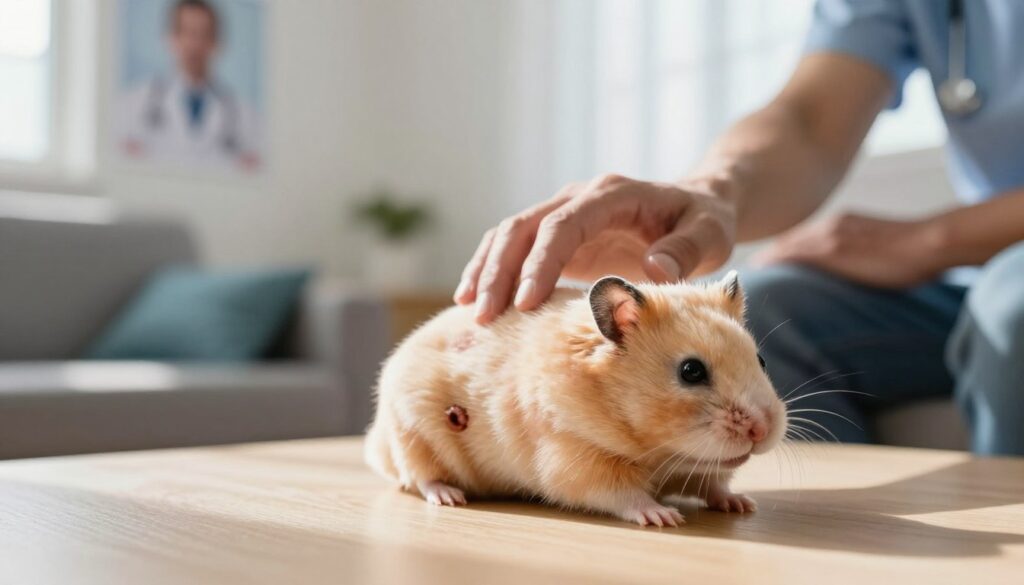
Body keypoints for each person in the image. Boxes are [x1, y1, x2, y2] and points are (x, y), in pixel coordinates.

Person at [454, 0, 1024, 456]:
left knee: (1012, 307)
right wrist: (711, 196)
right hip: (977, 281)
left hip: (1004, 282)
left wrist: (929, 241)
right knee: (775, 304)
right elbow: (808, 119)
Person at [118, 0, 262, 171]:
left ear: (216, 43)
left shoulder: (245, 115)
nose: (194, 44)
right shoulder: (133, 103)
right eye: (187, 32)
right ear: (171, 38)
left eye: (204, 34)